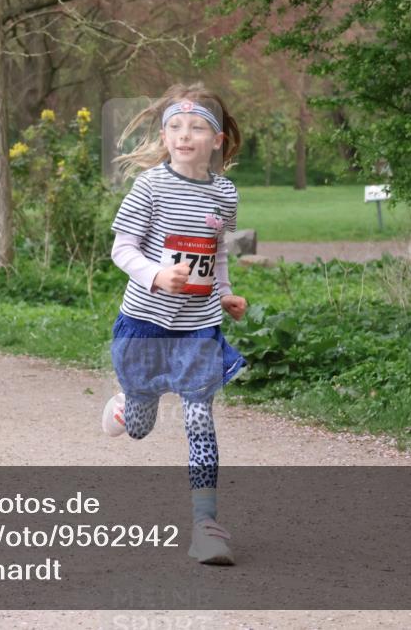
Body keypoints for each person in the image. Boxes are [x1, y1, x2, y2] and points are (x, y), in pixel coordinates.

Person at [101, 84, 248, 565]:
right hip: (146, 322)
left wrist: (224, 293)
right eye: (176, 127)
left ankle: (206, 527)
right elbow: (122, 248)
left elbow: (216, 254)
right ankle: (127, 405)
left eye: (198, 127)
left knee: (199, 418)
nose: (185, 135)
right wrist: (156, 275)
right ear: (165, 136)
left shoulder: (225, 194)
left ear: (217, 140)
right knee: (140, 428)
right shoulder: (150, 187)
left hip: (198, 327)